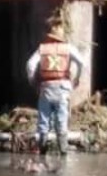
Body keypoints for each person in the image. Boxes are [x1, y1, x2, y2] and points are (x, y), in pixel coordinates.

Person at [26, 21, 86, 156]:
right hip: (63, 88)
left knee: (44, 119)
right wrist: (77, 78)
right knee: (62, 119)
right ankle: (63, 151)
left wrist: (33, 81)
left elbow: (30, 65)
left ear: (50, 36)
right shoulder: (68, 48)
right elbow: (81, 62)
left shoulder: (42, 49)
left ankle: (42, 150)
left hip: (46, 87)